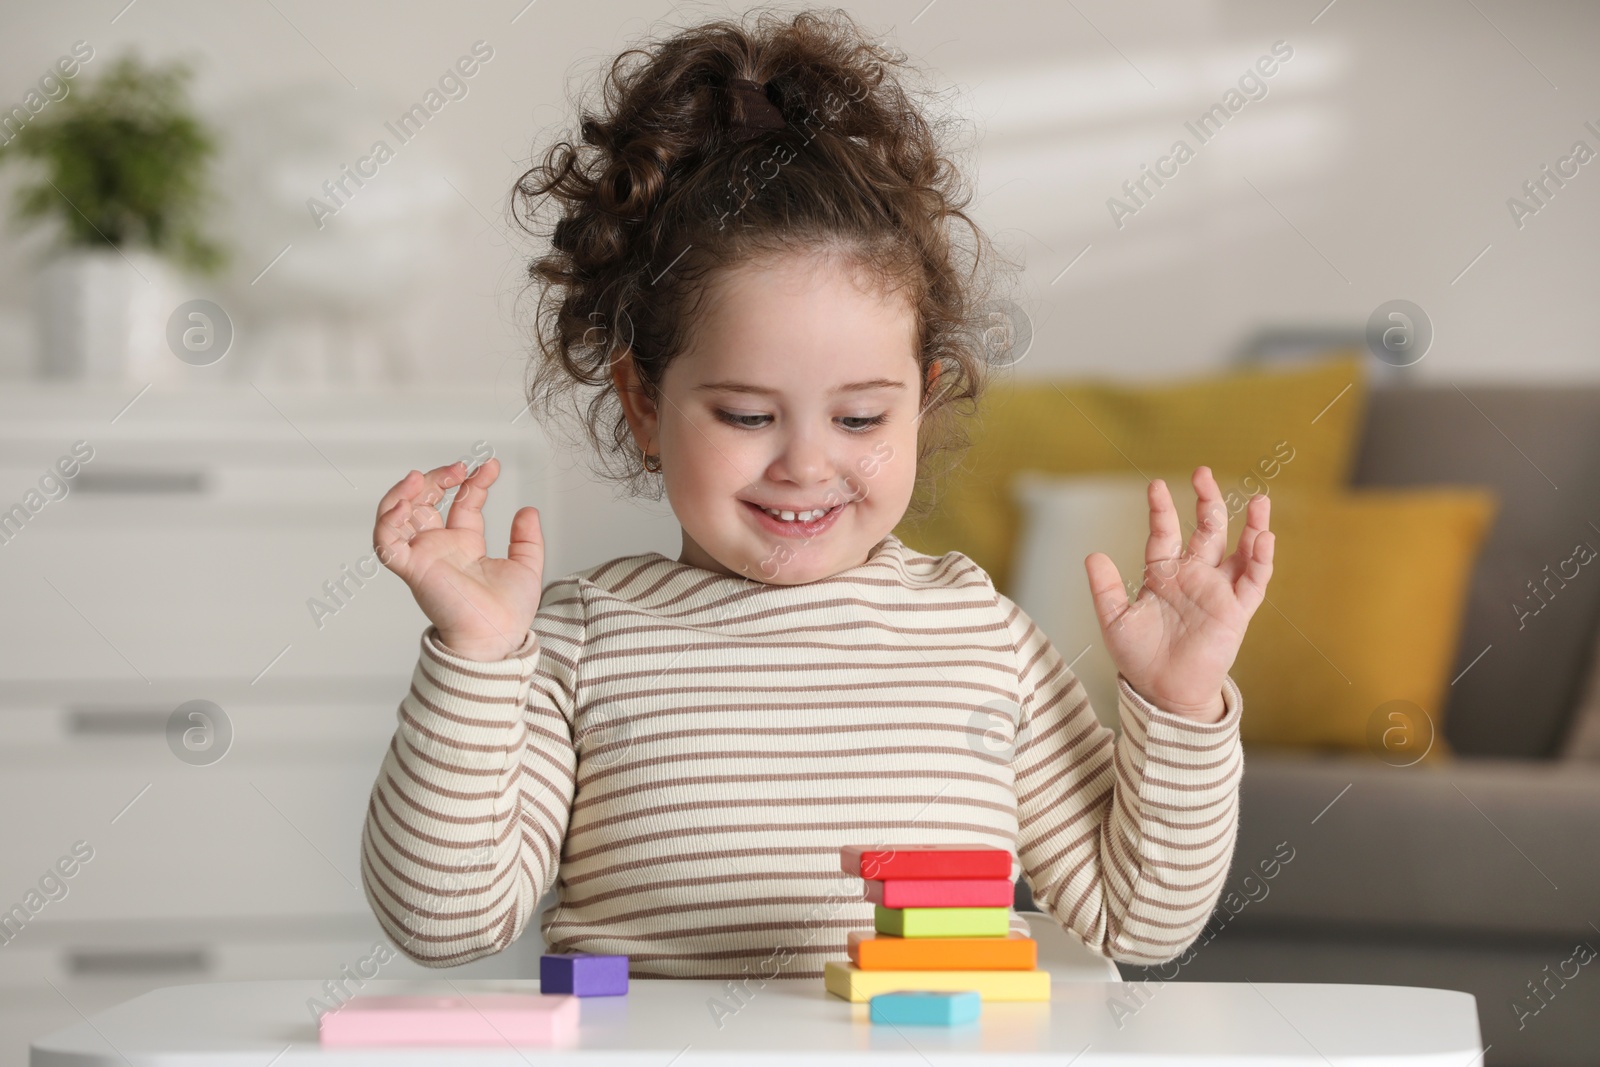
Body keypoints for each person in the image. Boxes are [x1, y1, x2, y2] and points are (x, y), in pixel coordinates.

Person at [359, 7, 1274, 980]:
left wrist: (1179, 704)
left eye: (859, 419)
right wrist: (475, 658)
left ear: (920, 401)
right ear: (642, 402)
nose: (804, 464)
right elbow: (442, 920)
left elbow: (1138, 920)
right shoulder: (583, 644)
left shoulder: (980, 638)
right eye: (748, 416)